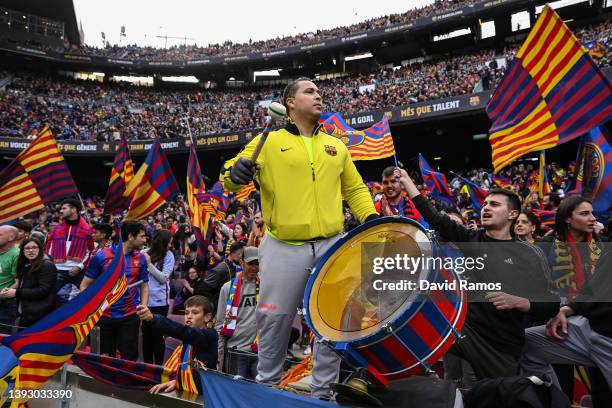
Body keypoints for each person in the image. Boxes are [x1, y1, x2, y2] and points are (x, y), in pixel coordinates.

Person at [220, 77, 378, 398]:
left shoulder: (336, 145)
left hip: (333, 244)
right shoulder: (270, 140)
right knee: (275, 320)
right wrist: (234, 175)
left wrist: (371, 217)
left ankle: (322, 395)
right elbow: (232, 175)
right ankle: (266, 388)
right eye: (310, 92)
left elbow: (355, 189)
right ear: (290, 103)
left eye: (319, 92)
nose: (318, 96)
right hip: (283, 246)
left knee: (332, 322)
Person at [398, 167, 559, 380]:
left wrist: (519, 302)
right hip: (465, 332)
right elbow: (435, 218)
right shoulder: (472, 238)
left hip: (501, 346)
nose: (486, 208)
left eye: (494, 204)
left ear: (512, 214)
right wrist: (408, 182)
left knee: (497, 397)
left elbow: (551, 303)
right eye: (484, 204)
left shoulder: (529, 253)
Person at [538, 196, 610, 406]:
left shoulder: (603, 246)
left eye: (592, 213)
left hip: (596, 322)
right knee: (560, 384)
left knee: (602, 386)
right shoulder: (546, 245)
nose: (592, 219)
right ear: (568, 218)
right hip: (557, 322)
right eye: (584, 213)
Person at [81, 221, 149, 361]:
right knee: (104, 359)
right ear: (131, 236)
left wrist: (143, 306)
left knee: (129, 358)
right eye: (142, 236)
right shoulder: (101, 256)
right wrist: (92, 307)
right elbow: (84, 285)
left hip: (130, 316)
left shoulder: (141, 258)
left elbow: (144, 285)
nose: (145, 240)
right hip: (104, 316)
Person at [136, 296, 218, 395]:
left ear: (207, 317)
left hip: (205, 396)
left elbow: (181, 331)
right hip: (186, 392)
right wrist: (176, 381)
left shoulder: (210, 335)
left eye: (195, 313)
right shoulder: (188, 338)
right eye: (187, 313)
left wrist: (153, 318)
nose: (189, 316)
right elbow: (186, 370)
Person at [216, 246, 259, 379]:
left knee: (259, 394)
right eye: (250, 263)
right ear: (241, 262)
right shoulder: (228, 288)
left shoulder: (266, 286)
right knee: (235, 394)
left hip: (259, 352)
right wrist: (219, 357)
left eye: (257, 264)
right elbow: (221, 323)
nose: (254, 267)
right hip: (236, 351)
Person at [0, 237, 57, 328]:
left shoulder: (46, 265)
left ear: (40, 249)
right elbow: (23, 284)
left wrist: (16, 292)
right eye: (27, 248)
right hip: (26, 312)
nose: (31, 251)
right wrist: (9, 290)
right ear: (22, 250)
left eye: (34, 247)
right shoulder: (26, 264)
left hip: (39, 314)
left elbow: (43, 290)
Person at [45, 198, 94, 292]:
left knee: (88, 297)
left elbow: (92, 251)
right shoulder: (56, 229)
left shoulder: (87, 229)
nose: (61, 211)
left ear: (73, 210)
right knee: (48, 297)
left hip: (78, 272)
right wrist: (51, 265)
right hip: (57, 270)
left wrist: (80, 266)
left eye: (64, 208)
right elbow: (48, 248)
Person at [142, 229, 175, 365]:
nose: (171, 245)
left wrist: (149, 265)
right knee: (146, 336)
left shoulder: (169, 256)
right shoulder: (143, 253)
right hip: (144, 301)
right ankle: (147, 367)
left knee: (158, 336)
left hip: (160, 302)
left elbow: (163, 278)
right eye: (169, 242)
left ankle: (158, 368)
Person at [195, 241, 244, 312]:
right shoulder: (221, 268)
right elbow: (202, 289)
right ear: (233, 253)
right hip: (219, 309)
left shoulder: (235, 266)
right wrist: (215, 305)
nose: (242, 257)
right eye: (241, 254)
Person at [0, 226, 19, 334]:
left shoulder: (16, 255)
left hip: (5, 303)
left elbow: (19, 282)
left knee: (2, 335)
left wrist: (2, 294)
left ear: (11, 237)